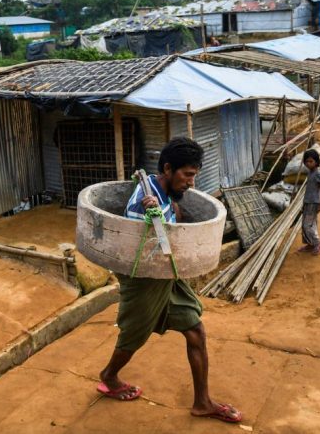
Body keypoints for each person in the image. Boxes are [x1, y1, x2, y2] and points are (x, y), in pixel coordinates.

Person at [97, 137, 243, 424]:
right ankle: (109, 376)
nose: (191, 182)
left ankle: (202, 402)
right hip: (146, 279)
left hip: (166, 275)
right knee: (132, 338)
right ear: (168, 168)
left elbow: (172, 212)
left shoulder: (157, 189)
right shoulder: (143, 205)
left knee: (195, 330)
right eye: (187, 175)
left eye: (194, 175)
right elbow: (139, 245)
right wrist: (155, 217)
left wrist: (170, 214)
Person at [297, 149, 320, 256]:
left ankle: (317, 242)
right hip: (307, 202)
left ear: (316, 162)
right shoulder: (310, 173)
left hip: (313, 203)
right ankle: (310, 244)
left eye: (311, 161)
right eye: (306, 161)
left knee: (307, 225)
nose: (308, 163)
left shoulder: (318, 174)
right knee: (305, 224)